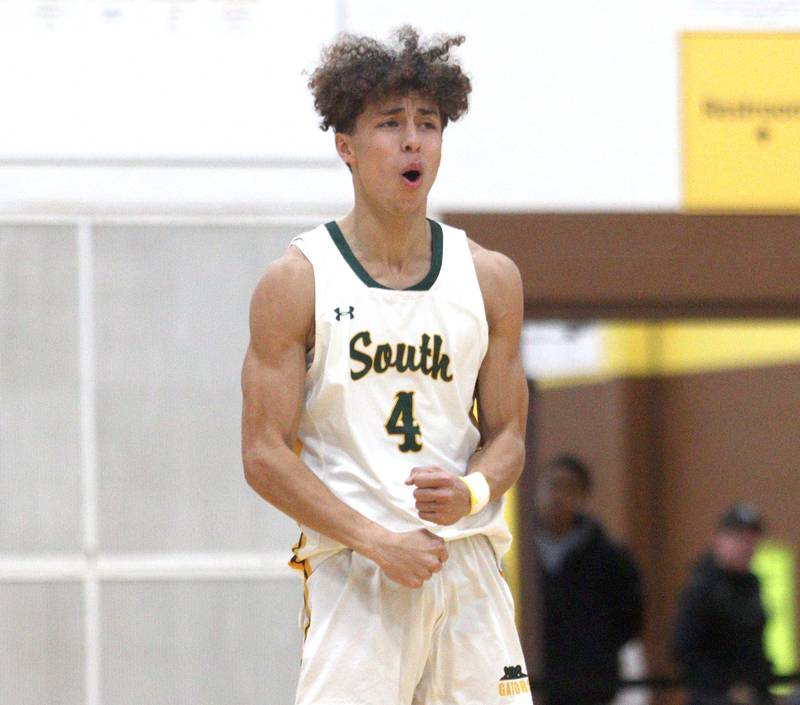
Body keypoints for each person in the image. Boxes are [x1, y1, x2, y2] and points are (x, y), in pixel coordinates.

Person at [241, 27, 533, 705]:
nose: (413, 141)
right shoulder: (297, 280)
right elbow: (262, 452)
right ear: (346, 145)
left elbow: (510, 436)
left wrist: (472, 493)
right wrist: (377, 539)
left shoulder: (489, 278)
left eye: (427, 125)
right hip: (357, 569)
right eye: (391, 124)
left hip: (464, 565)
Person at [533, 454, 644, 705]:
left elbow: (631, 619)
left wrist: (597, 650)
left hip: (592, 686)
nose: (557, 496)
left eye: (568, 488)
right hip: (530, 681)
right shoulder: (519, 555)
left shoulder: (610, 557)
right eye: (551, 486)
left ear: (583, 497)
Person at [673, 503, 774, 705]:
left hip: (755, 692)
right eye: (739, 538)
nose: (747, 546)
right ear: (720, 540)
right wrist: (727, 688)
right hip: (714, 696)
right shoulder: (703, 587)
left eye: (751, 539)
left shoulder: (751, 585)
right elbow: (685, 650)